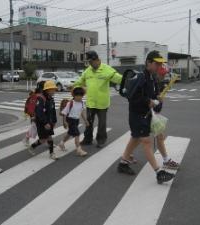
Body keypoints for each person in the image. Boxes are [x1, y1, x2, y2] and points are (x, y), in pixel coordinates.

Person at [117, 50, 175, 184]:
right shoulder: (141, 77)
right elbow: (132, 97)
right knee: (146, 141)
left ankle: (123, 163)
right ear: (148, 62)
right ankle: (158, 172)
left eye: (160, 64)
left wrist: (157, 99)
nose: (159, 67)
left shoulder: (152, 78)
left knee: (135, 138)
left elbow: (152, 97)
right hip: (137, 115)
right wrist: (147, 101)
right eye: (157, 64)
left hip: (146, 114)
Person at [74, 50, 122, 148]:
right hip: (91, 102)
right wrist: (73, 86)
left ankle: (101, 140)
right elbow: (80, 81)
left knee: (102, 124)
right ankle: (88, 139)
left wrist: (128, 79)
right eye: (89, 62)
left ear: (97, 60)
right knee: (88, 122)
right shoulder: (88, 71)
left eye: (91, 61)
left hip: (102, 103)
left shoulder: (107, 69)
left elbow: (118, 78)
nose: (90, 64)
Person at [28, 80, 58, 160]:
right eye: (52, 89)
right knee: (42, 140)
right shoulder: (41, 99)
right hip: (42, 123)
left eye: (54, 89)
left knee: (50, 137)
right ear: (47, 90)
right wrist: (45, 123)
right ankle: (32, 146)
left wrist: (54, 120)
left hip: (49, 122)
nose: (53, 91)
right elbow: (39, 112)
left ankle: (51, 153)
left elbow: (53, 111)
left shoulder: (51, 99)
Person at [58, 87, 89, 156]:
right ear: (74, 95)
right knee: (77, 134)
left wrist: (85, 121)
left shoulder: (81, 103)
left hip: (76, 120)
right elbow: (65, 112)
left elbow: (82, 113)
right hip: (70, 120)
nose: (79, 97)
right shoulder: (70, 103)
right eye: (77, 95)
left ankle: (61, 143)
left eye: (81, 95)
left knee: (69, 133)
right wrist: (64, 121)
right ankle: (79, 150)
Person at [22, 81, 46, 148]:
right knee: (34, 127)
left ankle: (48, 141)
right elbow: (33, 107)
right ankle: (26, 139)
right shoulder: (38, 96)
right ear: (42, 88)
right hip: (36, 115)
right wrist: (33, 116)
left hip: (39, 115)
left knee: (40, 128)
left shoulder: (41, 95)